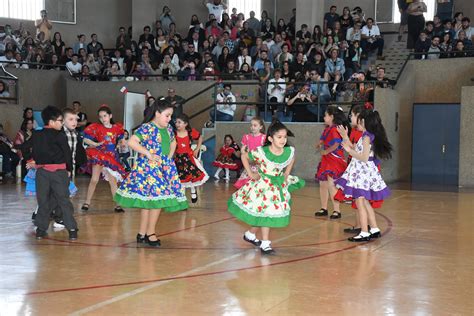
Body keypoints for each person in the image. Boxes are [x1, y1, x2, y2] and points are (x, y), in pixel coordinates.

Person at [114, 98, 188, 247]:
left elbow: (173, 142)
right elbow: (132, 142)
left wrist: (168, 157)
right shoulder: (147, 128)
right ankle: (149, 233)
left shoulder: (168, 129)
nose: (169, 119)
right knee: (155, 201)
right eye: (167, 115)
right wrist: (148, 154)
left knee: (151, 202)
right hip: (149, 169)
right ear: (157, 113)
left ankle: (143, 233)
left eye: (170, 116)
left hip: (163, 168)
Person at [227, 120, 305, 254]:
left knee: (265, 213)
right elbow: (245, 156)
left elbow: (292, 158)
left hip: (277, 185)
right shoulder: (261, 152)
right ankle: (265, 243)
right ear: (270, 138)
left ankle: (251, 235)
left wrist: (286, 172)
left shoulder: (288, 151)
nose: (283, 140)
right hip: (263, 186)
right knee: (266, 212)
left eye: (285, 137)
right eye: (279, 137)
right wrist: (251, 173)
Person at [335, 109, 392, 241]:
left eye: (359, 120)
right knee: (365, 202)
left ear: (364, 121)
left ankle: (364, 232)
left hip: (363, 172)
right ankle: (374, 228)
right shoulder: (366, 135)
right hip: (363, 171)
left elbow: (364, 157)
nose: (357, 123)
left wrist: (349, 150)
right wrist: (345, 136)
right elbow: (357, 150)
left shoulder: (367, 137)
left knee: (360, 201)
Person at [29, 106, 78, 240]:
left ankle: (40, 229)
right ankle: (72, 230)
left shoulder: (37, 135)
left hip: (42, 172)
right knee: (63, 200)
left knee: (43, 200)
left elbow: (31, 151)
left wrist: (34, 161)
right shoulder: (60, 135)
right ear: (51, 122)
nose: (62, 123)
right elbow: (67, 154)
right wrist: (69, 169)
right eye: (60, 120)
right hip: (59, 172)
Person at [81, 105, 127, 213]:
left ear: (110, 116)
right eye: (101, 117)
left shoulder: (117, 128)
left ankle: (117, 205)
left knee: (113, 181)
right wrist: (95, 143)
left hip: (111, 157)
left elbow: (121, 139)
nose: (103, 119)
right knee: (94, 179)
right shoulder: (96, 127)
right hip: (100, 155)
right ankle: (87, 202)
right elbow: (86, 139)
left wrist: (122, 143)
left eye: (105, 116)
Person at [315, 106, 348, 220]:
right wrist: (319, 143)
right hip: (327, 160)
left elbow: (336, 145)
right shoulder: (327, 129)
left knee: (331, 184)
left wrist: (325, 151)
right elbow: (322, 139)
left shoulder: (335, 129)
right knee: (322, 184)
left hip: (334, 159)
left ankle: (336, 210)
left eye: (325, 115)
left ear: (331, 117)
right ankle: (324, 207)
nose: (324, 117)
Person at [174, 114, 209, 203]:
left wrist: (197, 149)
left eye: (179, 122)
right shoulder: (174, 133)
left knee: (192, 176)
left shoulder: (190, 132)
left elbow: (200, 137)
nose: (177, 124)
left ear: (185, 124)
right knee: (181, 178)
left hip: (189, 158)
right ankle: (181, 197)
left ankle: (193, 191)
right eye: (176, 122)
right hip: (178, 159)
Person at [234, 117, 266, 189]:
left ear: (260, 127)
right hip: (249, 163)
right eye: (251, 125)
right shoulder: (246, 137)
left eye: (255, 125)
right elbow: (242, 150)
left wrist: (259, 160)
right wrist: (246, 157)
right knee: (246, 185)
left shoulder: (264, 138)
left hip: (260, 164)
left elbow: (265, 152)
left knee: (259, 186)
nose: (252, 127)